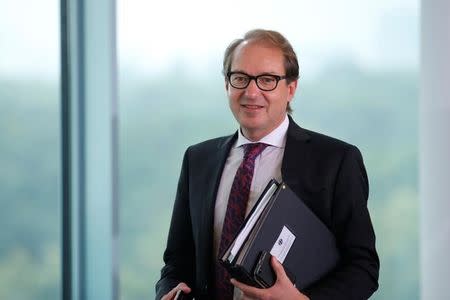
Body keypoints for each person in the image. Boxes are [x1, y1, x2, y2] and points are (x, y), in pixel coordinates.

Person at [156, 29, 379, 300]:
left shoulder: (336, 161)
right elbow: (176, 262)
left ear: (291, 89)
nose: (251, 92)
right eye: (240, 78)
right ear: (227, 85)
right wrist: (169, 291)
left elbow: (363, 268)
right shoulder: (198, 159)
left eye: (267, 80)